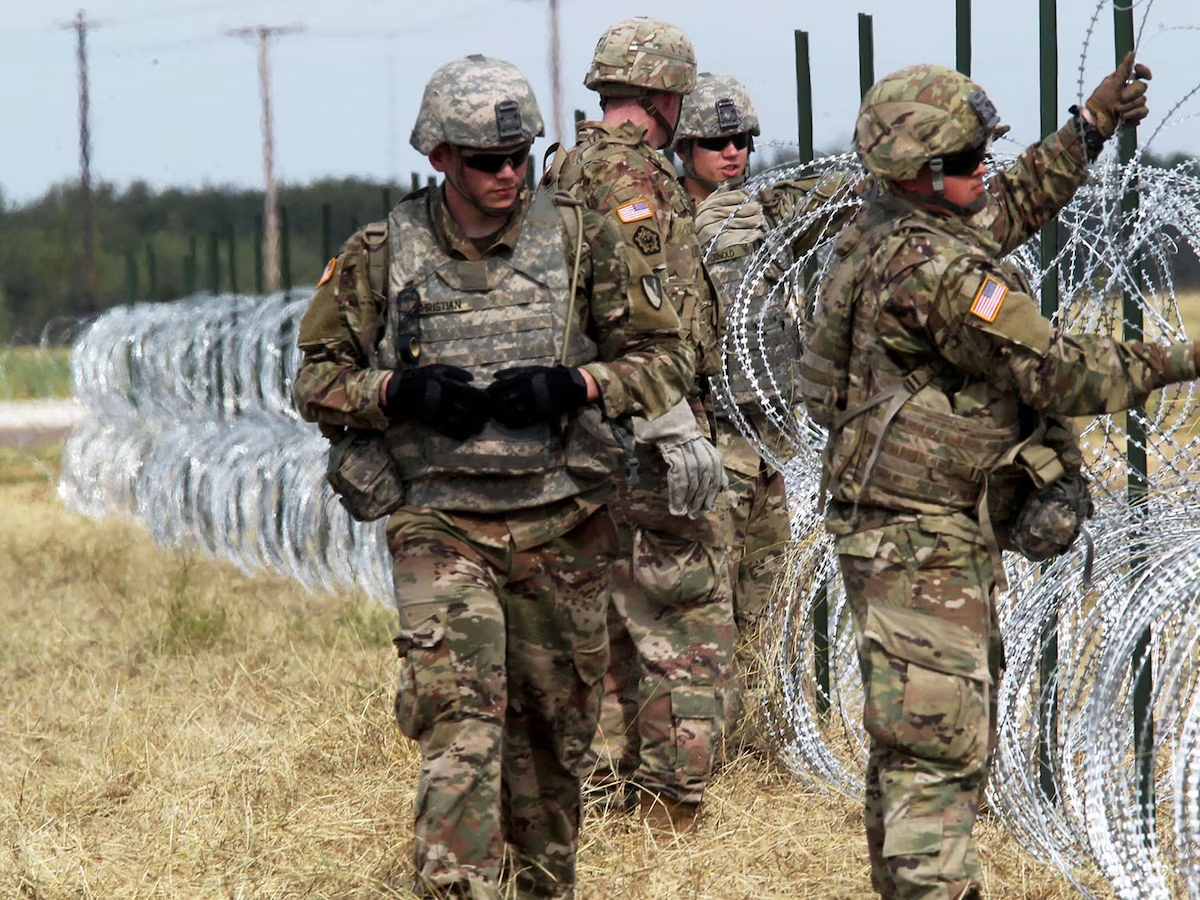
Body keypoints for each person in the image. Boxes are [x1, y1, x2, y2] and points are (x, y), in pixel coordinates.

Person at [292, 55, 694, 900]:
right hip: (440, 524)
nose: (508, 174)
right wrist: (395, 393)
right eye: (485, 161)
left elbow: (665, 357)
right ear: (440, 156)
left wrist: (578, 385)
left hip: (564, 523)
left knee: (553, 741)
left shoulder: (583, 241)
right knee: (461, 725)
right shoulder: (381, 254)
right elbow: (315, 382)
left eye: (519, 156)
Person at [797, 56, 1188, 900]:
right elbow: (1059, 372)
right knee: (935, 754)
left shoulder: (890, 228)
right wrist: (1183, 356)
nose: (986, 170)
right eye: (969, 159)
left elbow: (1004, 207)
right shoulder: (935, 272)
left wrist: (1088, 129)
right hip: (920, 545)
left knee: (915, 748)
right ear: (922, 172)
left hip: (903, 532)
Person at [543, 17, 735, 835]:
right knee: (686, 620)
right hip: (645, 431)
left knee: (608, 616)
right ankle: (669, 804)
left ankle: (596, 792)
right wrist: (673, 423)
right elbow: (641, 309)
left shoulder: (563, 167)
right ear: (666, 95)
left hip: (583, 427)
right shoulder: (632, 180)